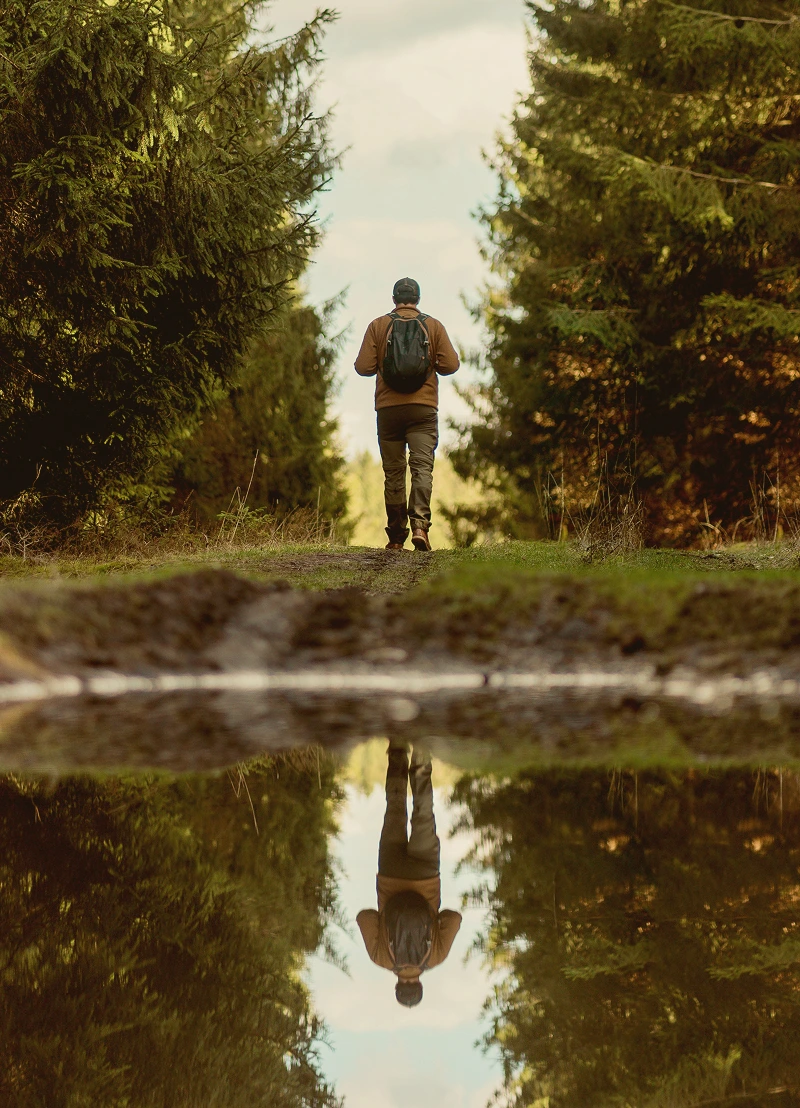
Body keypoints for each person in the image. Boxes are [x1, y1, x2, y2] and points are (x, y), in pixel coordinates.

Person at [355, 278, 460, 551]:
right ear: (418, 299)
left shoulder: (378, 325)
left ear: (394, 299)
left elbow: (362, 367)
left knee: (393, 472)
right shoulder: (433, 326)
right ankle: (421, 528)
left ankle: (395, 537)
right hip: (422, 409)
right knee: (422, 468)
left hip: (388, 410)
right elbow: (451, 365)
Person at [356, 742, 462, 1007]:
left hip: (425, 875)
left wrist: (433, 920)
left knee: (423, 813)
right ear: (397, 985)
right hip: (390, 874)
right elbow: (364, 916)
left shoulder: (435, 957)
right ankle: (398, 749)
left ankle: (423, 754)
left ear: (420, 984)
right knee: (394, 807)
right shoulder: (381, 959)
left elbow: (454, 917)